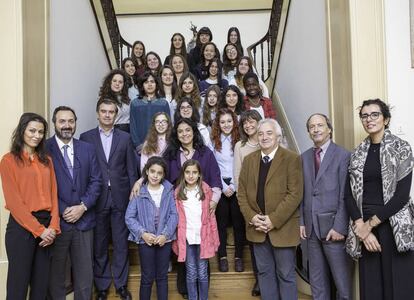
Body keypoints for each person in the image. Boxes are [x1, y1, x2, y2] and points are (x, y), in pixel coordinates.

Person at [345, 99, 414, 300]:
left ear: (386, 119)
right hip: (365, 227)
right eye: (364, 116)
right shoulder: (357, 153)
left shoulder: (401, 148)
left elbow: (401, 196)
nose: (369, 119)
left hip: (393, 225)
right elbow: (348, 194)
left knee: (399, 286)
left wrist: (370, 224)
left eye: (374, 114)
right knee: (371, 287)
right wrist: (362, 229)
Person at [238, 118, 303, 300]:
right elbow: (241, 194)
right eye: (260, 133)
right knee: (264, 274)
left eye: (269, 133)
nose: (264, 137)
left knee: (286, 275)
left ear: (278, 136)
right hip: (256, 229)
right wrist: (252, 217)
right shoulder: (249, 160)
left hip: (283, 229)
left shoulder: (291, 158)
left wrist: (273, 220)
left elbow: (294, 194)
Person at [79, 99, 138, 300]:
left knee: (121, 245)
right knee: (100, 244)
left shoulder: (125, 138)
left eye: (111, 112)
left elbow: (131, 169)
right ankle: (102, 287)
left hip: (121, 198)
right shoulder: (85, 138)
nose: (107, 115)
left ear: (116, 115)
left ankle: (121, 286)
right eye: (103, 111)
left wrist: (133, 196)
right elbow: (83, 171)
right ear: (97, 113)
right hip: (97, 199)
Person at [0, 113, 60, 300]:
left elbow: (54, 195)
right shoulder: (8, 161)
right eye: (32, 130)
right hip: (21, 228)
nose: (37, 135)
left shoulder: (47, 160)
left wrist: (53, 227)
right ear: (22, 131)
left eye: (41, 132)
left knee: (41, 287)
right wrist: (39, 230)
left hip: (47, 227)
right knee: (18, 286)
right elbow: (14, 203)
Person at [46, 106, 102, 300]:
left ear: (75, 123)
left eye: (71, 121)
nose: (67, 125)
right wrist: (64, 210)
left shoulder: (87, 148)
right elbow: (43, 187)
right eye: (62, 121)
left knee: (85, 276)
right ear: (54, 123)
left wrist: (83, 206)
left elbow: (97, 181)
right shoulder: (45, 149)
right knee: (56, 275)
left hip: (85, 221)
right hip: (57, 223)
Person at [162, 118, 222, 298]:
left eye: (187, 130)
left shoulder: (206, 153)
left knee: (202, 265)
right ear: (176, 134)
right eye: (180, 131)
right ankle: (187, 293)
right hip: (181, 213)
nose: (184, 134)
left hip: (203, 207)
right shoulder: (171, 153)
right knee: (187, 263)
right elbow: (158, 174)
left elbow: (215, 179)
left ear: (194, 131)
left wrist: (214, 201)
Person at [299, 113, 352, 300]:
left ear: (329, 129)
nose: (316, 129)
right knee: (317, 282)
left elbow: (346, 195)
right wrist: (302, 221)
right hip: (311, 230)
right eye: (312, 127)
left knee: (341, 282)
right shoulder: (304, 158)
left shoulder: (343, 155)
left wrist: (339, 226)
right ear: (308, 132)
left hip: (333, 228)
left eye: (320, 125)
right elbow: (303, 193)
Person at [125, 156, 178, 300]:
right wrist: (143, 234)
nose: (155, 175)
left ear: (163, 175)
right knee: (147, 277)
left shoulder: (168, 190)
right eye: (152, 171)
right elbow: (129, 217)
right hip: (145, 241)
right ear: (147, 172)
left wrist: (165, 235)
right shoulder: (139, 191)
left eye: (159, 173)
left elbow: (174, 215)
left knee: (162, 277)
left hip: (164, 240)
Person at [173, 159, 220, 300]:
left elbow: (212, 218)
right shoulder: (178, 193)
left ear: (199, 174)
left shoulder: (206, 191)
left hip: (203, 238)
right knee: (191, 272)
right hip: (186, 238)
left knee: (202, 272)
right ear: (183, 174)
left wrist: (214, 238)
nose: (191, 175)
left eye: (194, 172)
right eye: (187, 172)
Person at [211, 108, 245, 273]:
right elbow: (213, 166)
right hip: (221, 187)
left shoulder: (240, 140)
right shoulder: (213, 141)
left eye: (229, 121)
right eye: (222, 122)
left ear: (234, 122)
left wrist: (234, 186)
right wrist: (223, 187)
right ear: (218, 123)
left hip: (237, 185)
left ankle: (239, 257)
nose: (226, 125)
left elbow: (241, 165)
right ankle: (222, 256)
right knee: (221, 224)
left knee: (239, 223)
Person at [233, 110, 262, 296]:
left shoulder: (268, 141)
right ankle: (259, 280)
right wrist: (243, 202)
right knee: (254, 242)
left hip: (271, 200)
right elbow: (237, 176)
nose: (248, 125)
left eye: (252, 122)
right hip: (249, 202)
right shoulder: (240, 146)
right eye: (245, 123)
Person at [130, 71, 170, 149]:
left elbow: (168, 126)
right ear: (142, 85)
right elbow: (133, 126)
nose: (149, 84)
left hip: (161, 146)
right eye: (146, 82)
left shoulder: (163, 103)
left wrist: (164, 144)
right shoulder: (135, 103)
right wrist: (138, 145)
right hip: (140, 146)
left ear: (156, 84)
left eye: (152, 82)